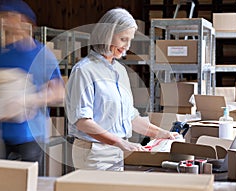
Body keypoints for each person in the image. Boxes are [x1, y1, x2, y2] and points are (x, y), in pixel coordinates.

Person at [65, 8, 179, 171]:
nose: (127, 46)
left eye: (130, 40)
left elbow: (130, 117)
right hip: (94, 153)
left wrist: (161, 134)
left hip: (117, 151)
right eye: (123, 39)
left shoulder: (120, 71)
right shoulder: (84, 70)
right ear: (107, 35)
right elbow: (82, 121)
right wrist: (120, 142)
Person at [0, 0, 65, 175]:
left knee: (30, 184)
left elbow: (59, 92)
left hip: (31, 138)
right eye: (1, 17)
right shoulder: (2, 57)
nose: (3, 21)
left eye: (8, 16)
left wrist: (28, 100)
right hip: (6, 136)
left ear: (24, 21)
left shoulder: (42, 55)